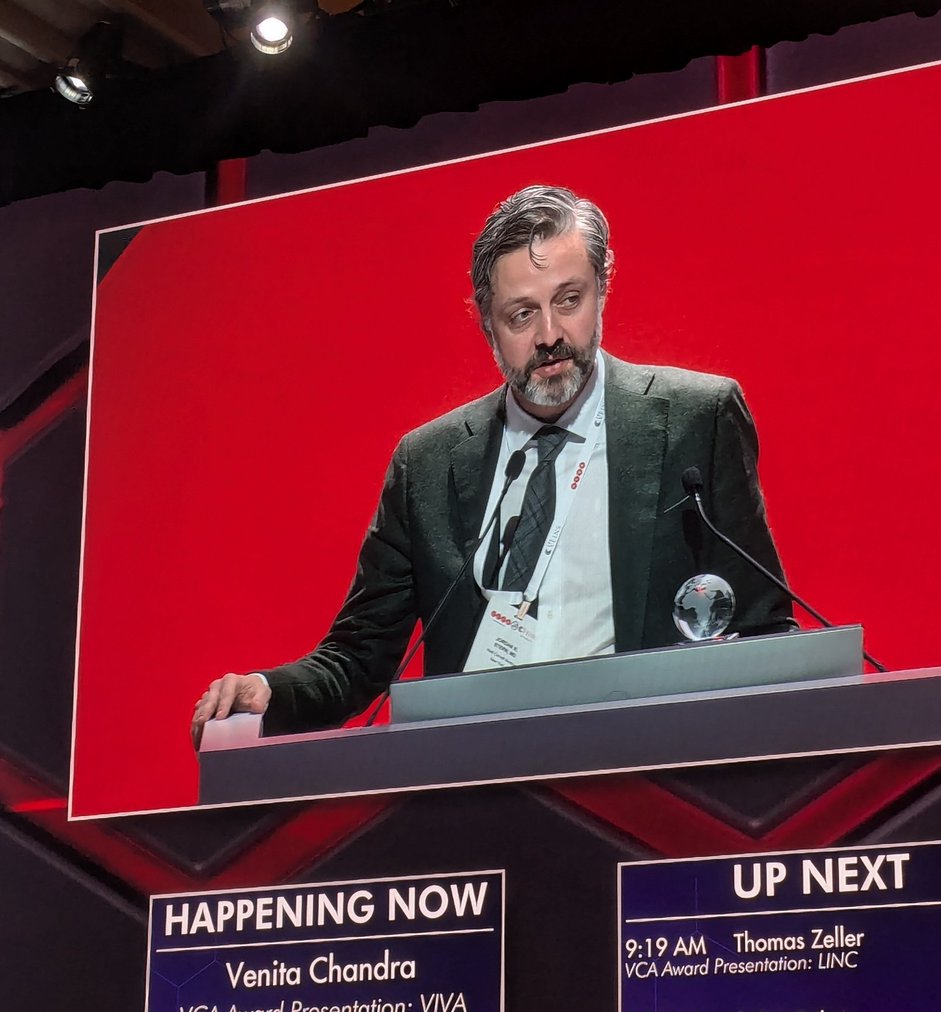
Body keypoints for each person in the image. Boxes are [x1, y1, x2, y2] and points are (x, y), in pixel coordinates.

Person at [192, 185, 793, 742]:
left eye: (569, 300)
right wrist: (270, 692)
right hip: (478, 777)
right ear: (486, 325)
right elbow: (359, 656)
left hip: (640, 761)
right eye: (521, 314)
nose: (550, 334)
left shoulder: (696, 419)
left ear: (603, 288)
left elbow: (762, 627)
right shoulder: (426, 464)